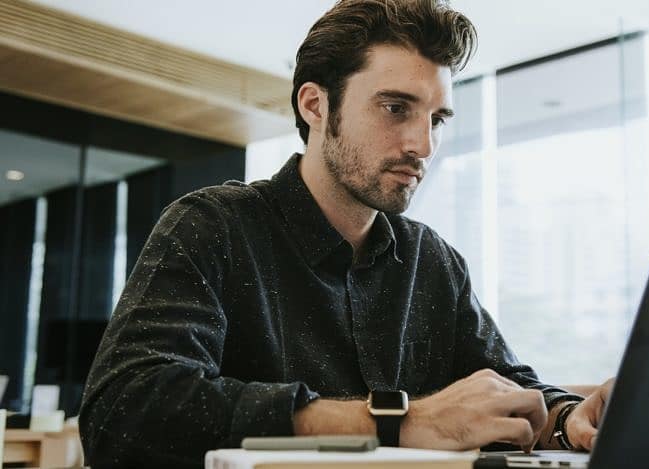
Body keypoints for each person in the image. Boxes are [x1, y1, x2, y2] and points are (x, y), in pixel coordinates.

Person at [79, 0, 613, 467]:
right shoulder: (213, 227)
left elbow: (507, 385)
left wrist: (571, 417)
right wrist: (394, 422)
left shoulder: (433, 263)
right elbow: (124, 412)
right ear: (315, 105)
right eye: (395, 107)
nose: (423, 145)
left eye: (437, 119)